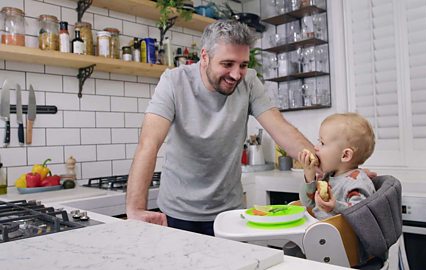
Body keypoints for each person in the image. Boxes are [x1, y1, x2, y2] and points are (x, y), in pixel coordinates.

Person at [126, 20, 316, 236]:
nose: (236, 74)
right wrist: (135, 209)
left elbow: (281, 128)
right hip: (178, 212)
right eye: (227, 64)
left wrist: (326, 168)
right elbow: (149, 144)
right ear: (204, 57)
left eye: (243, 65)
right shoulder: (173, 81)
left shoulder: (250, 81)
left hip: (229, 212)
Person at [298, 112, 376, 220]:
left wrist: (334, 207)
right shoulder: (327, 176)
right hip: (319, 229)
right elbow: (308, 203)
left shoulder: (357, 183)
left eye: (322, 143)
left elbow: (361, 215)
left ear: (345, 155)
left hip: (339, 235)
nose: (316, 147)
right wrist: (309, 176)